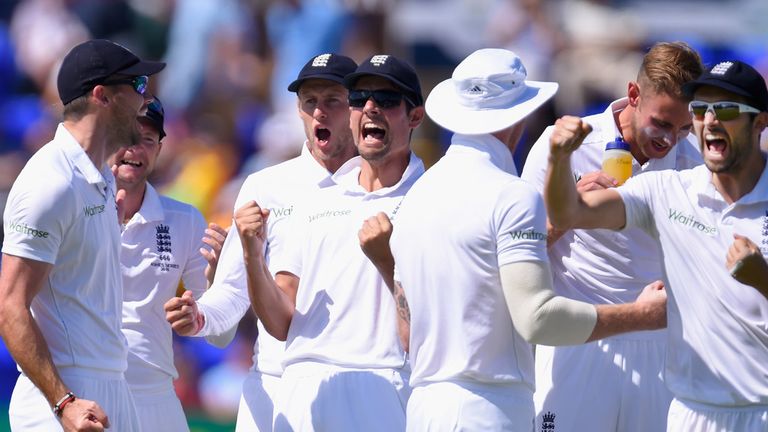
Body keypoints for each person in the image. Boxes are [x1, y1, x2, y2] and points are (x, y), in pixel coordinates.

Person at [389, 48, 667, 431]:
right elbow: (537, 318)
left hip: (424, 407)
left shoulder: (415, 196)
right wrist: (642, 315)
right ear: (521, 114)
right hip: (488, 410)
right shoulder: (511, 195)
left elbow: (404, 330)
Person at [544, 59, 768, 431]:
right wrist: (558, 158)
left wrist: (762, 278)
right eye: (700, 109)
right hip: (689, 414)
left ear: (760, 122)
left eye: (726, 109)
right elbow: (569, 211)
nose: (709, 120)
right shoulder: (668, 190)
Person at [164, 53, 358, 431]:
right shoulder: (263, 186)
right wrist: (199, 317)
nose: (319, 112)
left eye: (333, 100)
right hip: (273, 383)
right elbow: (233, 293)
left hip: (355, 385)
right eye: (309, 102)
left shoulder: (381, 189)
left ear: (357, 109)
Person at [234, 54, 426, 431]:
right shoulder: (317, 199)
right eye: (359, 99)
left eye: (386, 99)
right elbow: (281, 322)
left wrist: (387, 262)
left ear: (415, 117)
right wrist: (253, 257)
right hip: (303, 389)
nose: (370, 108)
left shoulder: (429, 200)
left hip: (382, 385)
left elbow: (425, 334)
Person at [520, 41, 703, 432]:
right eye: (663, 123)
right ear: (633, 95)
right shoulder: (563, 146)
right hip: (577, 343)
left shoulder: (696, 164)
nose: (672, 139)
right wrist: (567, 213)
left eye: (685, 127)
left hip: (661, 350)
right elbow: (519, 251)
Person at [0, 39, 164, 431]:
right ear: (101, 96)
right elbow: (9, 306)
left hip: (110, 386)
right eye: (138, 85)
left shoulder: (102, 177)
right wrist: (63, 401)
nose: (147, 100)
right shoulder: (50, 183)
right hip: (64, 401)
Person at [112, 97, 229, 431]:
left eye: (148, 140)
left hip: (154, 393)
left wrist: (217, 284)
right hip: (84, 386)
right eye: (127, 136)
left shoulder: (185, 220)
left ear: (160, 149)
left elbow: (219, 336)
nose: (136, 149)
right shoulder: (73, 205)